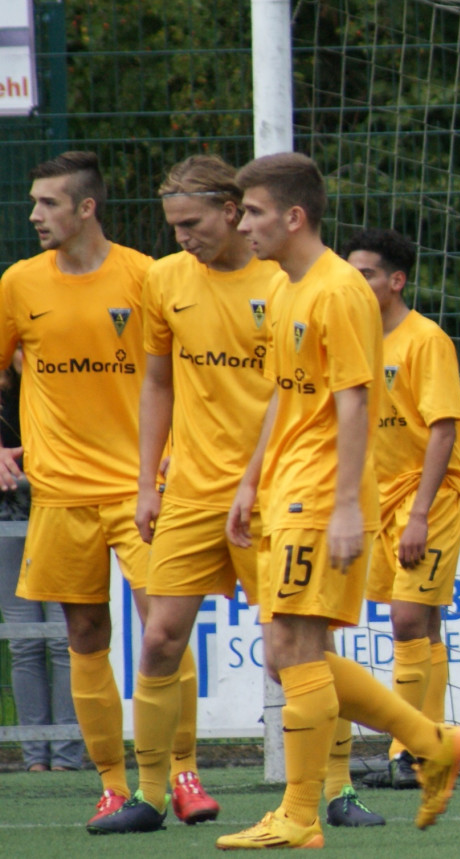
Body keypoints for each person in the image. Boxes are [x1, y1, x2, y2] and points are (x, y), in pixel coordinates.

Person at [88, 155, 386, 834]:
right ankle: (152, 793)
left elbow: (313, 392)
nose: (181, 236)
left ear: (232, 212)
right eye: (173, 225)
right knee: (159, 639)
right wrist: (147, 480)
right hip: (193, 489)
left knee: (297, 653)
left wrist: (286, 485)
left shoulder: (287, 278)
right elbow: (156, 381)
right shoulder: (165, 280)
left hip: (280, 490)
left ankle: (337, 788)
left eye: (193, 222)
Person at [217, 152, 460, 850]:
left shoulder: (338, 291)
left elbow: (354, 400)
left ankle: (301, 813)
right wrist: (250, 480)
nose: (244, 225)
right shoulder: (286, 288)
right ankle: (430, 742)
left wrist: (349, 507)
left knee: (296, 648)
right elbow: (284, 395)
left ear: (294, 216)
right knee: (286, 654)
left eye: (254, 212)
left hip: (321, 491)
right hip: (286, 487)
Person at [0, 151, 208, 827]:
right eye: (34, 203)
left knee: (163, 631)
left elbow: (182, 372)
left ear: (86, 207)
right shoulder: (18, 283)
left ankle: (183, 774)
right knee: (85, 633)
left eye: (49, 203)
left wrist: (174, 460)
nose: (35, 215)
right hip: (61, 493)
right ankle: (114, 785)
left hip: (140, 487)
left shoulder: (146, 275)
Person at [345, 229, 460, 789]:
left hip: (437, 491)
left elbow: (443, 430)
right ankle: (431, 748)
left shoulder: (426, 339)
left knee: (404, 619)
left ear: (396, 281)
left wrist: (420, 514)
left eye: (367, 275)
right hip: (383, 496)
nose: (356, 284)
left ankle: (408, 750)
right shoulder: (352, 340)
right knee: (421, 623)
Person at [0, 354, 84, 773]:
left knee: (65, 639)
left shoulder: (65, 382)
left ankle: (67, 757)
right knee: (24, 642)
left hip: (64, 513)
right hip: (7, 519)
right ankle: (35, 759)